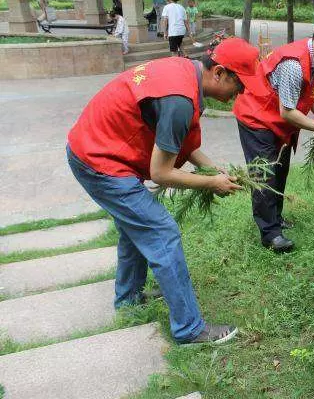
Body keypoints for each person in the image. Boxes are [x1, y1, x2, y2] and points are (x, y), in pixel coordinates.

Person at [66, 38, 268, 345]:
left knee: (136, 227)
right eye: (239, 85)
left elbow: (178, 141)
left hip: (95, 145)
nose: (240, 94)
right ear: (219, 73)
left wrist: (211, 168)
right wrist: (212, 183)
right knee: (161, 232)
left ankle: (129, 300)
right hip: (99, 160)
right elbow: (162, 173)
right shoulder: (179, 100)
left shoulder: (187, 72)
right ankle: (190, 329)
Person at [233, 19, 314, 253]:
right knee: (265, 174)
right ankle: (270, 234)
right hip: (257, 117)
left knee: (280, 169)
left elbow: (313, 92)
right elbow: (287, 111)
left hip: (279, 122)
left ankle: (275, 218)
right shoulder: (294, 64)